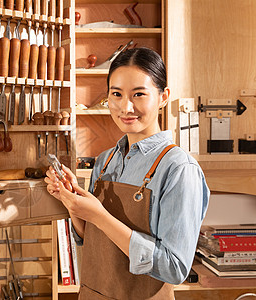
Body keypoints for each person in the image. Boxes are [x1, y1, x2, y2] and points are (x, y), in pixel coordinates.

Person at [45, 47, 209, 299]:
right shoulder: (105, 160)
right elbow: (94, 242)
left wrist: (99, 216)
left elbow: (174, 268)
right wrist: (72, 203)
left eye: (139, 94)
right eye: (117, 94)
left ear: (163, 96)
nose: (126, 106)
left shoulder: (179, 169)